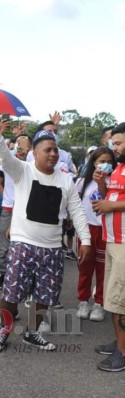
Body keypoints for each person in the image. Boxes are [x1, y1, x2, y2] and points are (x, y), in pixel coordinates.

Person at [0, 114, 91, 353]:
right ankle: (4, 329)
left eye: (55, 149)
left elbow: (77, 211)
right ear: (34, 152)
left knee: (45, 295)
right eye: (47, 150)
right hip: (23, 245)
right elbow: (3, 155)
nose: (53, 154)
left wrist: (86, 240)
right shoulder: (22, 171)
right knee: (11, 293)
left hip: (52, 248)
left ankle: (33, 332)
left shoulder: (66, 180)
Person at [92, 122, 125, 372]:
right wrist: (102, 184)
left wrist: (110, 207)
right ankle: (121, 342)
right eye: (114, 143)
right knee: (114, 299)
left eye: (119, 143)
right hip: (112, 239)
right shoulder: (119, 168)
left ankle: (123, 353)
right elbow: (110, 196)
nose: (115, 148)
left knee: (120, 300)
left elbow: (114, 204)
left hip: (124, 243)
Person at [75, 146, 115, 322]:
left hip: (105, 230)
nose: (105, 165)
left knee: (102, 269)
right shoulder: (82, 182)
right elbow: (75, 205)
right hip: (87, 229)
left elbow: (109, 203)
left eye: (108, 162)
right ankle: (83, 300)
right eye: (101, 162)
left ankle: (99, 303)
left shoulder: (114, 182)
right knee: (85, 267)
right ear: (94, 163)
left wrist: (102, 183)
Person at [0, 135, 32, 288]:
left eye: (24, 143)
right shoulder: (7, 162)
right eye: (18, 142)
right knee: (4, 242)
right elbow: (0, 182)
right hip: (8, 209)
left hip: (26, 210)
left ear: (30, 147)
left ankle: (20, 275)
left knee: (23, 244)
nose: (20, 146)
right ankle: (0, 274)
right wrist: (7, 198)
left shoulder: (32, 164)